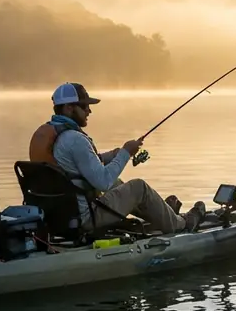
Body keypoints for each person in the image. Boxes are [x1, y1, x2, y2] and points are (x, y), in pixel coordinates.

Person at [28, 82, 207, 235]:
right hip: (85, 218)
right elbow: (103, 182)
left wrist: (115, 154)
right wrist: (126, 153)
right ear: (69, 108)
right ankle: (181, 224)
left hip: (59, 217)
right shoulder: (75, 139)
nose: (89, 110)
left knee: (118, 183)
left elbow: (79, 167)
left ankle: (162, 213)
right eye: (84, 106)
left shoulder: (53, 135)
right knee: (139, 187)